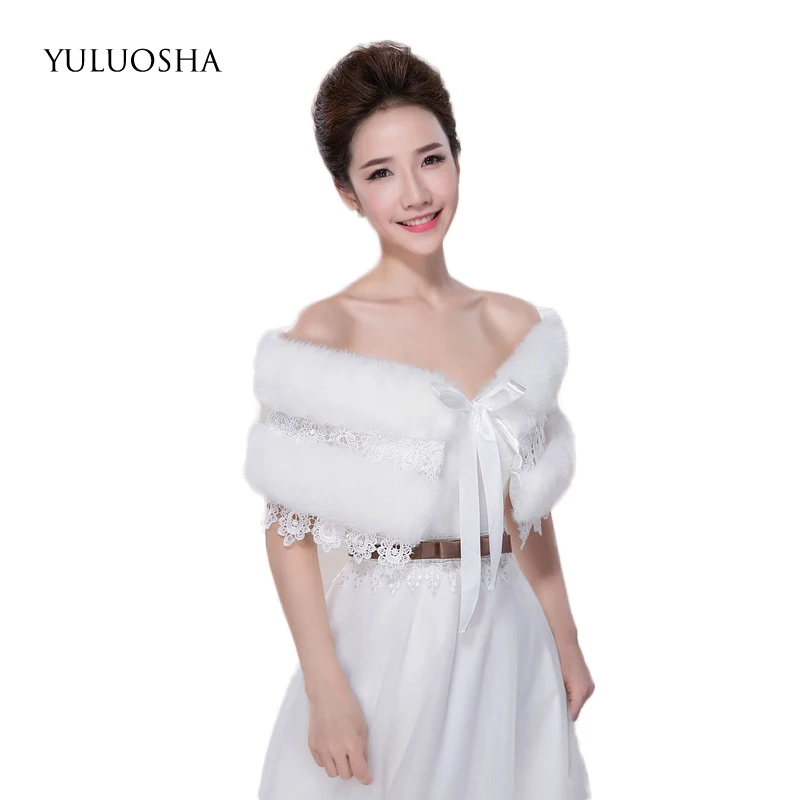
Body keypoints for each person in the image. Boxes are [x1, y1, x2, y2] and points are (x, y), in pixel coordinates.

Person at [244, 40, 594, 799]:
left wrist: (564, 635)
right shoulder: (330, 332)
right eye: (380, 173)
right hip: (386, 644)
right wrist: (325, 688)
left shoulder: (512, 325)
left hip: (506, 638)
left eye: (430, 159)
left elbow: (528, 507)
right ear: (347, 193)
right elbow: (288, 529)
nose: (414, 193)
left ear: (457, 159)